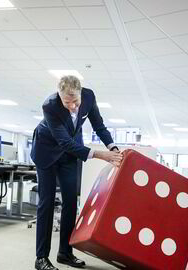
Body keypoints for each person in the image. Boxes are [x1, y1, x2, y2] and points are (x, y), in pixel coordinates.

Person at [31, 75, 123, 270]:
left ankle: (65, 252)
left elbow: (98, 125)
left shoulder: (89, 97)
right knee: (46, 204)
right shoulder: (49, 106)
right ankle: (41, 259)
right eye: (67, 102)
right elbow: (63, 141)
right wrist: (100, 155)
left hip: (70, 152)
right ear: (59, 96)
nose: (72, 106)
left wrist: (113, 148)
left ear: (81, 94)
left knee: (71, 202)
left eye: (75, 102)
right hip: (47, 151)